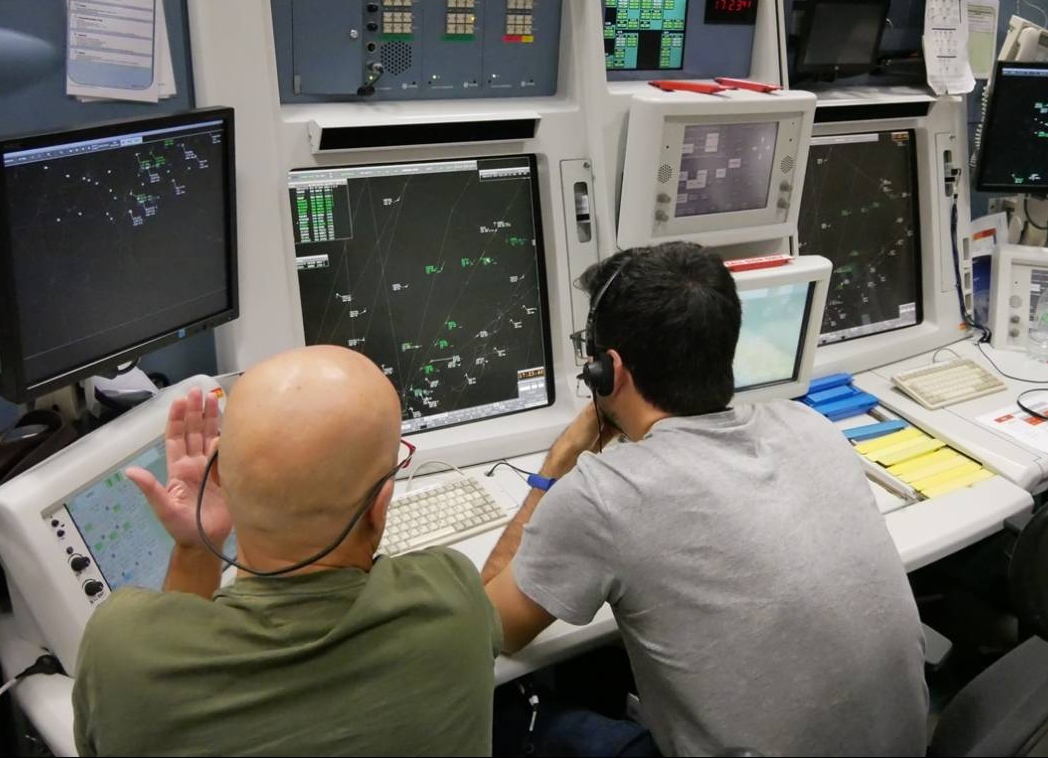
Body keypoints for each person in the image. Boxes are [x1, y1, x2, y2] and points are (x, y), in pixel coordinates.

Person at [482, 242, 928, 757]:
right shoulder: (812, 427)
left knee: (511, 714)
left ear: (609, 371)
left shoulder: (606, 495)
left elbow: (490, 629)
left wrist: (559, 461)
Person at [73, 346, 501, 756]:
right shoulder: (452, 599)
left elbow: (167, 656)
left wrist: (197, 547)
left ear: (217, 476)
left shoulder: (119, 651)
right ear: (380, 504)